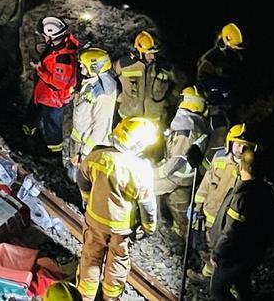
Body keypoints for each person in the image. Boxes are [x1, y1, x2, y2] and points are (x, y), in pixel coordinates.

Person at [76, 117, 159, 301]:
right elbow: (147, 205)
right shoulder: (141, 170)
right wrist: (148, 228)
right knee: (118, 262)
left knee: (91, 257)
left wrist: (87, 200)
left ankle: (85, 297)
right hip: (122, 229)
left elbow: (81, 178)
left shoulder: (98, 156)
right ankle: (110, 297)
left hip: (95, 220)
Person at [208, 148, 274, 301]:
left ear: (241, 166)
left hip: (233, 256)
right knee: (242, 282)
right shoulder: (267, 190)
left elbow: (231, 232)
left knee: (218, 291)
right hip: (253, 253)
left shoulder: (243, 197)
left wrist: (217, 254)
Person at [189, 124, 254, 283]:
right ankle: (207, 273)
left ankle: (210, 278)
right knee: (203, 245)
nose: (240, 149)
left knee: (219, 252)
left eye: (245, 146)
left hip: (224, 223)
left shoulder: (247, 170)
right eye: (237, 144)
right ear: (230, 142)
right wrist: (196, 206)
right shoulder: (219, 160)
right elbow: (206, 185)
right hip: (207, 216)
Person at [154, 86, 210, 238]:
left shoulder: (186, 126)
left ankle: (148, 223)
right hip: (187, 176)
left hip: (176, 176)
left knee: (145, 187)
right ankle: (179, 233)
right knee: (179, 211)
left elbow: (177, 159)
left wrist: (158, 173)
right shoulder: (198, 122)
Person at [23, 16, 79, 156]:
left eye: (44, 35)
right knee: (33, 112)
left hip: (53, 99)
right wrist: (42, 50)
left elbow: (58, 84)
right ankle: (28, 132)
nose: (42, 37)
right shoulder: (56, 46)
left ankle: (54, 153)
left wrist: (39, 69)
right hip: (43, 92)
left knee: (52, 126)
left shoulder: (63, 59)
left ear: (51, 36)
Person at [113, 30, 183, 128]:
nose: (153, 56)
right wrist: (118, 97)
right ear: (139, 52)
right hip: (128, 119)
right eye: (149, 53)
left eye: (154, 53)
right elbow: (110, 78)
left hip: (155, 122)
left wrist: (170, 100)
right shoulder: (124, 64)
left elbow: (181, 84)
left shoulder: (166, 68)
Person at [68, 48, 119, 177]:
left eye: (83, 64)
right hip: (80, 140)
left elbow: (101, 127)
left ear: (95, 67)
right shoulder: (93, 82)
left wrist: (84, 154)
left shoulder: (103, 92)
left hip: (89, 148)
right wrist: (76, 96)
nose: (80, 66)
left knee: (84, 178)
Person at [196, 23, 246, 150]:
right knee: (219, 137)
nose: (235, 50)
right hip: (215, 106)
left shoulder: (234, 57)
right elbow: (203, 80)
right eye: (233, 47)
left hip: (231, 105)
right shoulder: (210, 59)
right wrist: (222, 91)